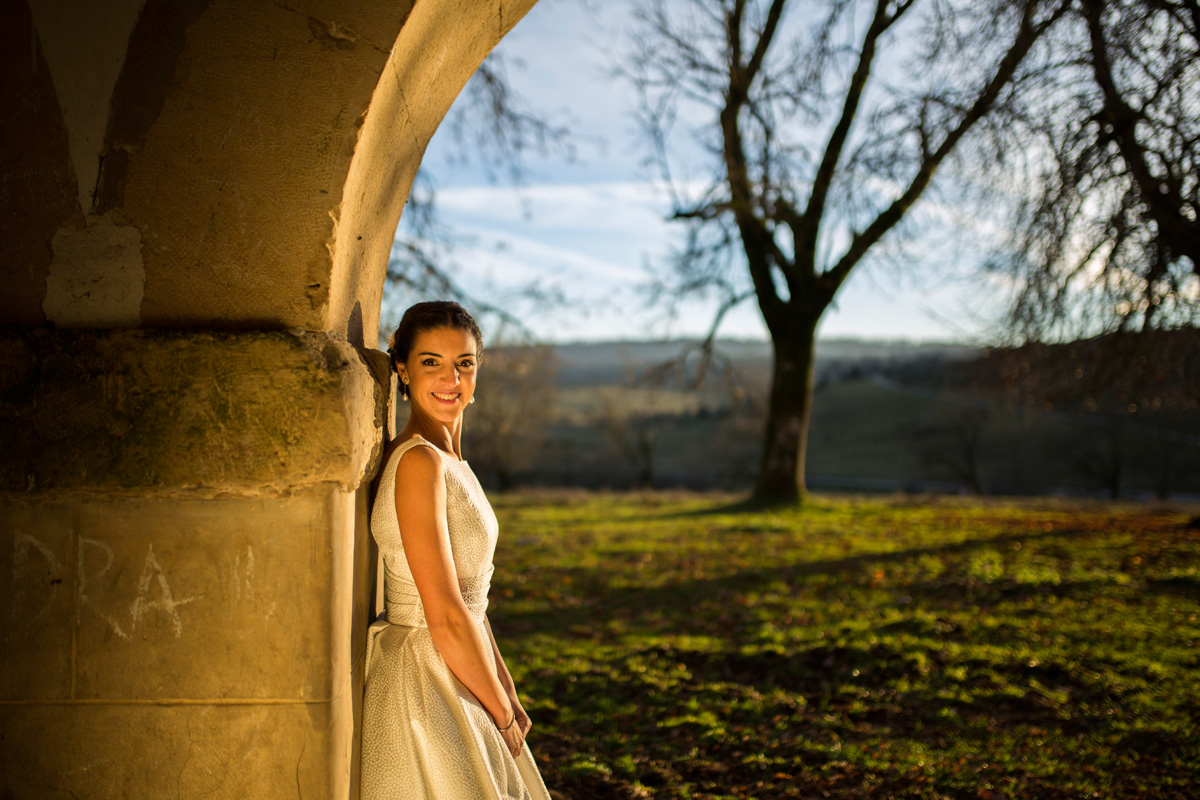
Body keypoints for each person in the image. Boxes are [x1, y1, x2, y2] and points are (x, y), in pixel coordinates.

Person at [360, 301, 552, 800]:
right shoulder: (419, 463)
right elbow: (443, 612)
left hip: (461, 663)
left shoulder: (449, 460)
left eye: (464, 363)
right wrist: (500, 712)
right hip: (426, 679)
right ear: (401, 368)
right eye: (431, 362)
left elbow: (472, 600)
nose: (451, 378)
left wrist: (504, 686)